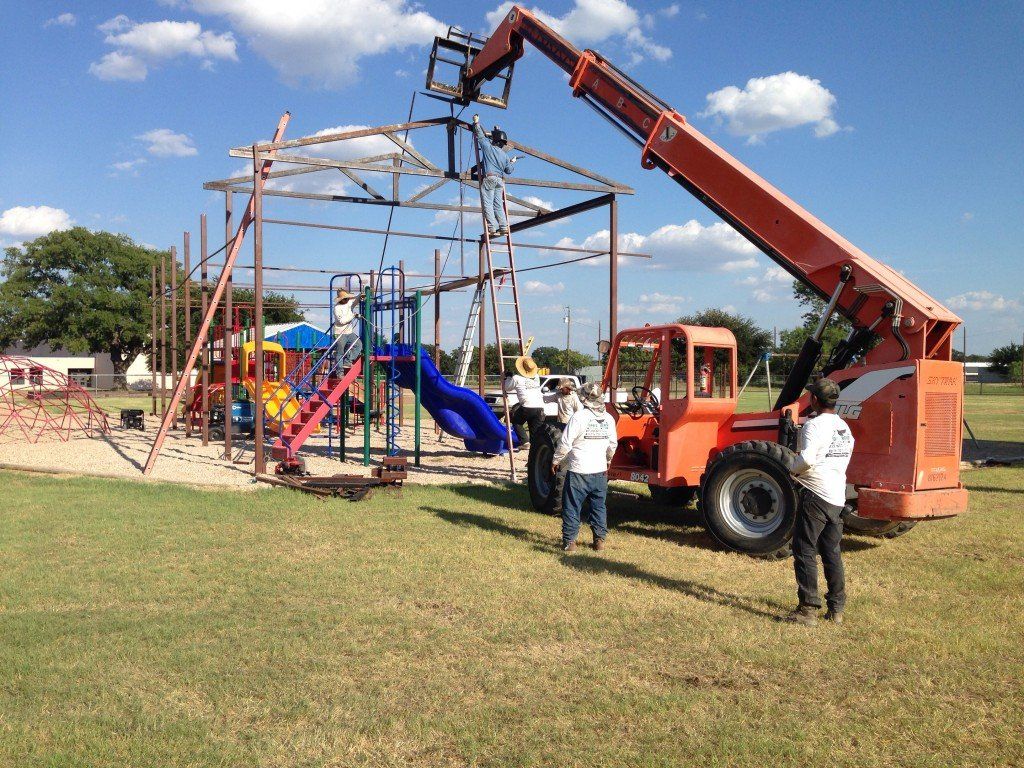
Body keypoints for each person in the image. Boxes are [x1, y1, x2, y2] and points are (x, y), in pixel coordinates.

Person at [788, 378, 855, 626]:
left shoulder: (813, 426)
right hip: (837, 496)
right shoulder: (843, 427)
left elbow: (806, 460)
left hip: (815, 495)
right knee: (831, 553)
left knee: (805, 550)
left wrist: (791, 468)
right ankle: (836, 609)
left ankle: (807, 610)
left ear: (814, 400)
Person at [552, 381, 618, 553]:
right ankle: (599, 540)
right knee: (598, 506)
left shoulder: (579, 417)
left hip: (578, 471)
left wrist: (556, 460)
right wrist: (608, 461)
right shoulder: (609, 419)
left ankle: (570, 542)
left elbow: (565, 443)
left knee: (572, 506)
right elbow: (612, 444)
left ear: (584, 399)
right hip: (599, 471)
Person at [472, 113, 517, 238]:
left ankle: (491, 227)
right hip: (499, 181)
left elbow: (480, 137)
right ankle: (503, 227)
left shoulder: (488, 148)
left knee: (488, 203)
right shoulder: (504, 155)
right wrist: (511, 162)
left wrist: (476, 123)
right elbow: (509, 170)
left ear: (494, 140)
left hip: (490, 178)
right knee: (498, 205)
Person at [505, 355, 544, 445]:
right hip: (539, 407)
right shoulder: (536, 377)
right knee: (535, 431)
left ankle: (524, 441)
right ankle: (535, 449)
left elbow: (507, 387)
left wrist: (508, 377)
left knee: (516, 421)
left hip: (527, 406)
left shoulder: (517, 378)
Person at [333, 289, 362, 367]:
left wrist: (360, 295)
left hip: (349, 332)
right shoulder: (337, 308)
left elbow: (355, 301)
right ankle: (340, 373)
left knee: (358, 345)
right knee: (340, 353)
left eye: (347, 298)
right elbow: (342, 321)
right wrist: (353, 315)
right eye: (345, 298)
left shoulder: (348, 303)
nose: (347, 299)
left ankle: (348, 361)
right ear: (341, 299)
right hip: (340, 333)